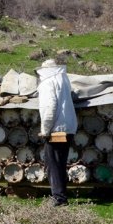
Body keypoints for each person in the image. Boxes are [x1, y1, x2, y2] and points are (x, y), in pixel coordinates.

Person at [36, 59, 78, 206]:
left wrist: (45, 130)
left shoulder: (48, 83)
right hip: (68, 127)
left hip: (56, 130)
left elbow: (49, 107)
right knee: (60, 163)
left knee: (52, 164)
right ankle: (61, 196)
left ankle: (58, 198)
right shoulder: (64, 80)